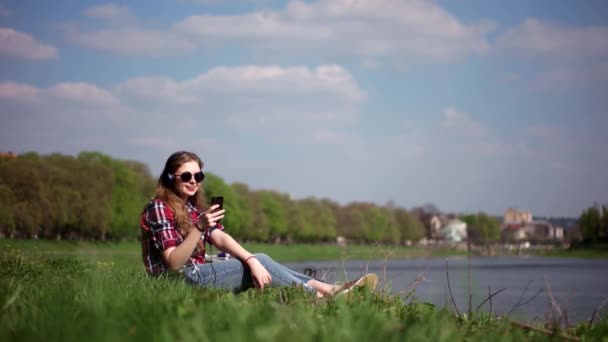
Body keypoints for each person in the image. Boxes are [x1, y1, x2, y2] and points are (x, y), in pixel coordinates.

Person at [140, 151, 378, 297]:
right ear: (171, 178)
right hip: (178, 281)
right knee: (261, 260)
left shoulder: (191, 208)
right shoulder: (159, 207)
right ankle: (321, 296)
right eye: (186, 176)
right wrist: (199, 228)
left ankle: (329, 290)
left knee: (258, 259)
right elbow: (172, 263)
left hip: (196, 274)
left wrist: (249, 258)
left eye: (198, 176)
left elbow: (220, 237)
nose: (194, 182)